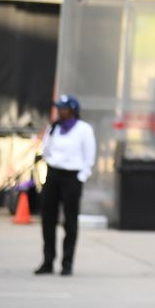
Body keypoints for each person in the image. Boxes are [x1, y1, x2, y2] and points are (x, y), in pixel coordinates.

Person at [35, 94, 96, 277]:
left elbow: (89, 155)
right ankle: (48, 261)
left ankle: (67, 263)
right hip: (53, 174)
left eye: (63, 108)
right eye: (58, 108)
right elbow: (45, 149)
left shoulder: (84, 130)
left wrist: (81, 177)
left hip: (71, 177)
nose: (60, 112)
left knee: (70, 221)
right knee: (48, 219)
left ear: (72, 110)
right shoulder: (54, 127)